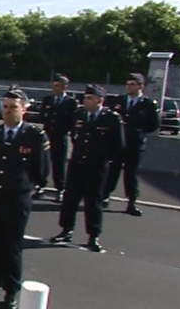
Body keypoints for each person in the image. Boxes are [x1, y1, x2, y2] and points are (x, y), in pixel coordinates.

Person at [0, 87, 50, 309]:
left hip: (17, 199)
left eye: (13, 107)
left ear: (24, 110)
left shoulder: (35, 136)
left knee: (12, 247)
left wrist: (23, 187)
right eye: (5, 107)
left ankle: (11, 291)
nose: (8, 111)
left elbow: (42, 171)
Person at [49, 85, 125, 253]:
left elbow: (118, 146)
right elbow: (75, 137)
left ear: (100, 100)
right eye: (85, 98)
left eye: (90, 98)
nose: (86, 101)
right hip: (77, 163)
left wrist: (104, 158)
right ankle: (66, 230)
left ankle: (93, 235)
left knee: (93, 201)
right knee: (70, 199)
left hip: (97, 166)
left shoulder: (111, 118)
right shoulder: (79, 114)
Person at [105, 73, 160, 216]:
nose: (128, 87)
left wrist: (140, 133)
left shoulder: (147, 104)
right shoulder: (119, 101)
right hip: (117, 143)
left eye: (132, 84)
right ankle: (105, 196)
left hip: (134, 144)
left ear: (141, 86)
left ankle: (131, 202)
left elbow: (153, 124)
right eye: (127, 84)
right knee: (112, 170)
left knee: (131, 174)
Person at [39, 74, 78, 203]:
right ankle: (40, 185)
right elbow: (42, 116)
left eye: (57, 85)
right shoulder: (48, 100)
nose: (54, 88)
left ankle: (60, 189)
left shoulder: (71, 102)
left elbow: (73, 121)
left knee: (59, 165)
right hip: (48, 134)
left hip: (61, 136)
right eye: (53, 85)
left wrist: (71, 134)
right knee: (43, 162)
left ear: (64, 87)